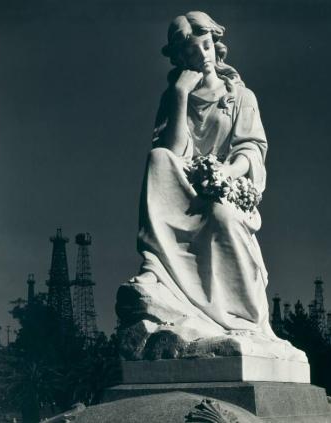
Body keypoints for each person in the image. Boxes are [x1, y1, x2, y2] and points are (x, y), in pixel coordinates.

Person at [116, 12, 305, 362]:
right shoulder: (174, 96)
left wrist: (225, 173)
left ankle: (239, 317)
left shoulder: (240, 96)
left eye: (206, 45)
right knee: (156, 158)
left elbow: (251, 148)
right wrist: (180, 95)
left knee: (220, 216)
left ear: (216, 45)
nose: (203, 54)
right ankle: (160, 272)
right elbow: (172, 153)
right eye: (191, 51)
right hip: (184, 188)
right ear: (181, 58)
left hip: (226, 188)